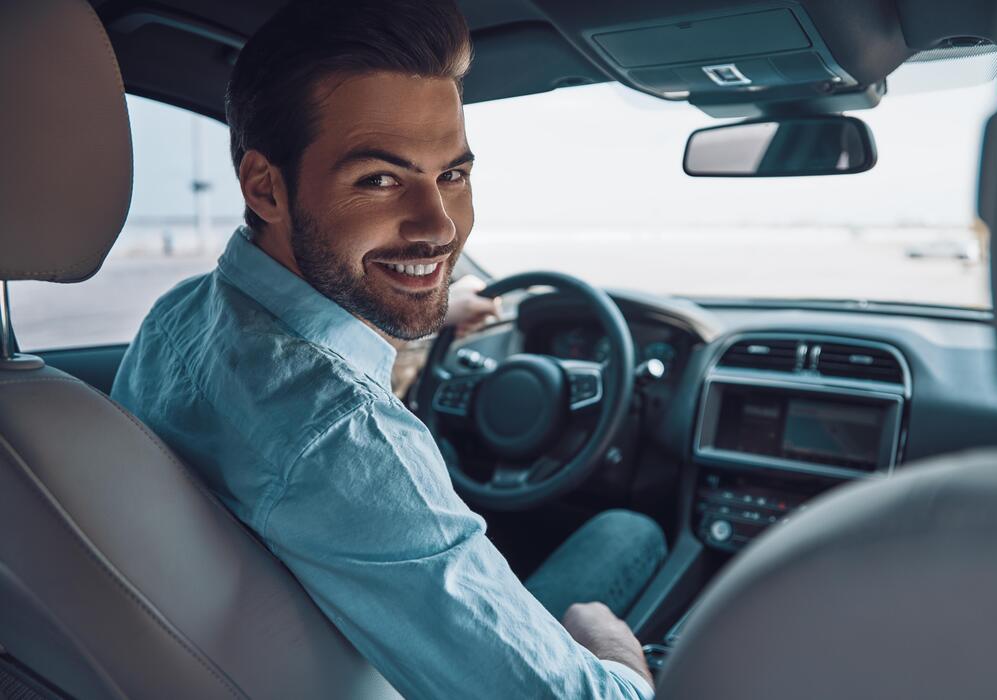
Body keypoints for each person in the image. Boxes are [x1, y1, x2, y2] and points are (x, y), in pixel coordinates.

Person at [111, 1, 666, 697]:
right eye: (379, 179)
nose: (439, 227)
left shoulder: (182, 316)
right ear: (266, 188)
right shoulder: (342, 437)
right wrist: (616, 656)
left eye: (453, 176)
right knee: (629, 534)